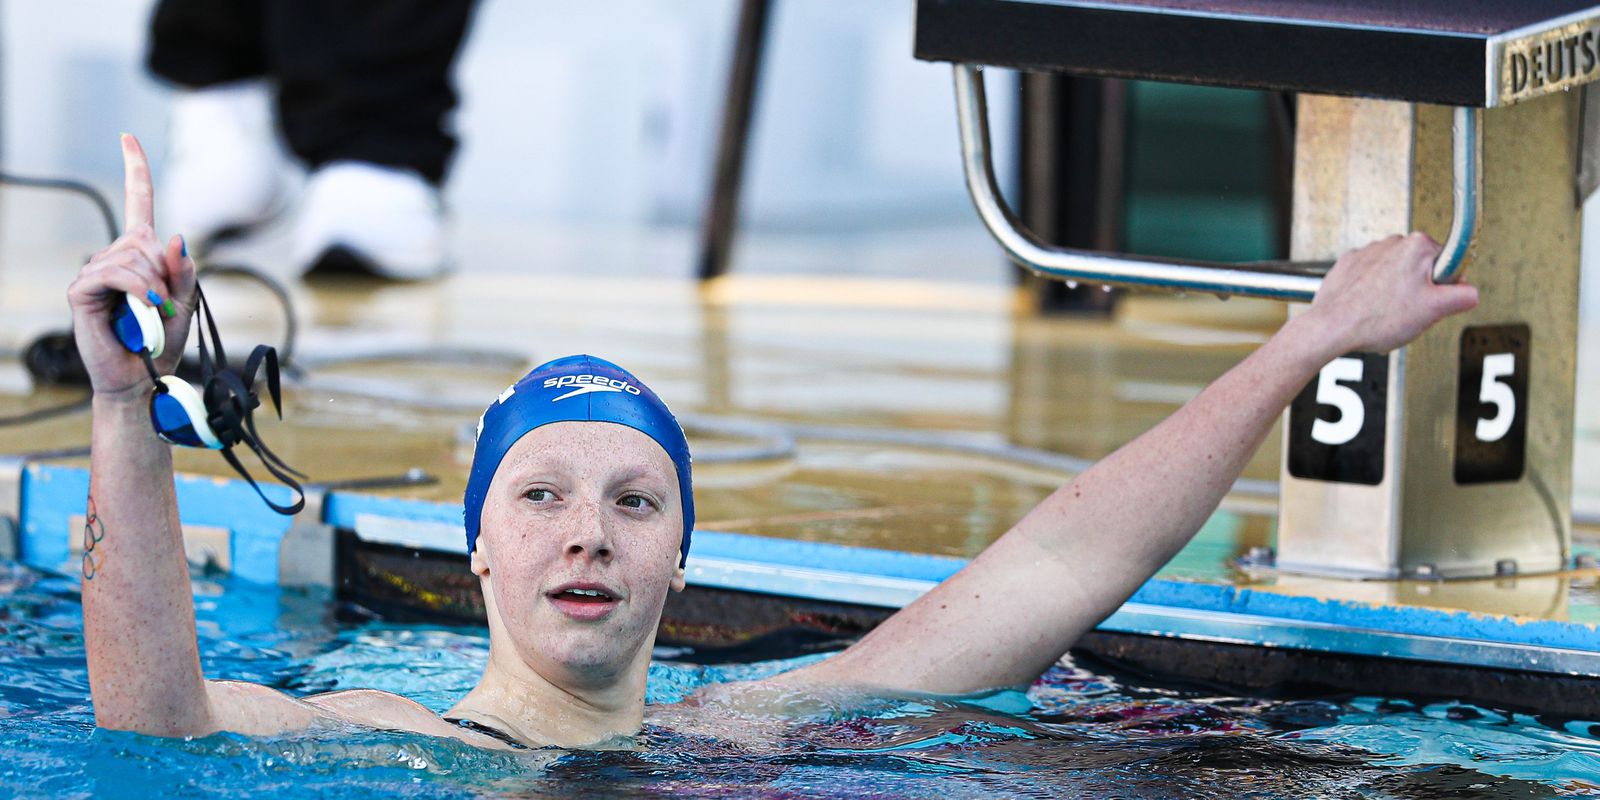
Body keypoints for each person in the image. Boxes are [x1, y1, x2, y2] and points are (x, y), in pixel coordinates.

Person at [73, 135, 1478, 750]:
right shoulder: (385, 740)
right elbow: (152, 717)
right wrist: (126, 403)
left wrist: (1305, 344)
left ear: (682, 557)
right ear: (478, 548)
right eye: (543, 494)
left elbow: (1060, 565)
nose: (587, 532)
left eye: (635, 503)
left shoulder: (757, 723)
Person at [146, 0, 477, 279]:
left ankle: (221, 120)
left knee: (216, 55)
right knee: (371, 162)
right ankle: (369, 150)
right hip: (373, 119)